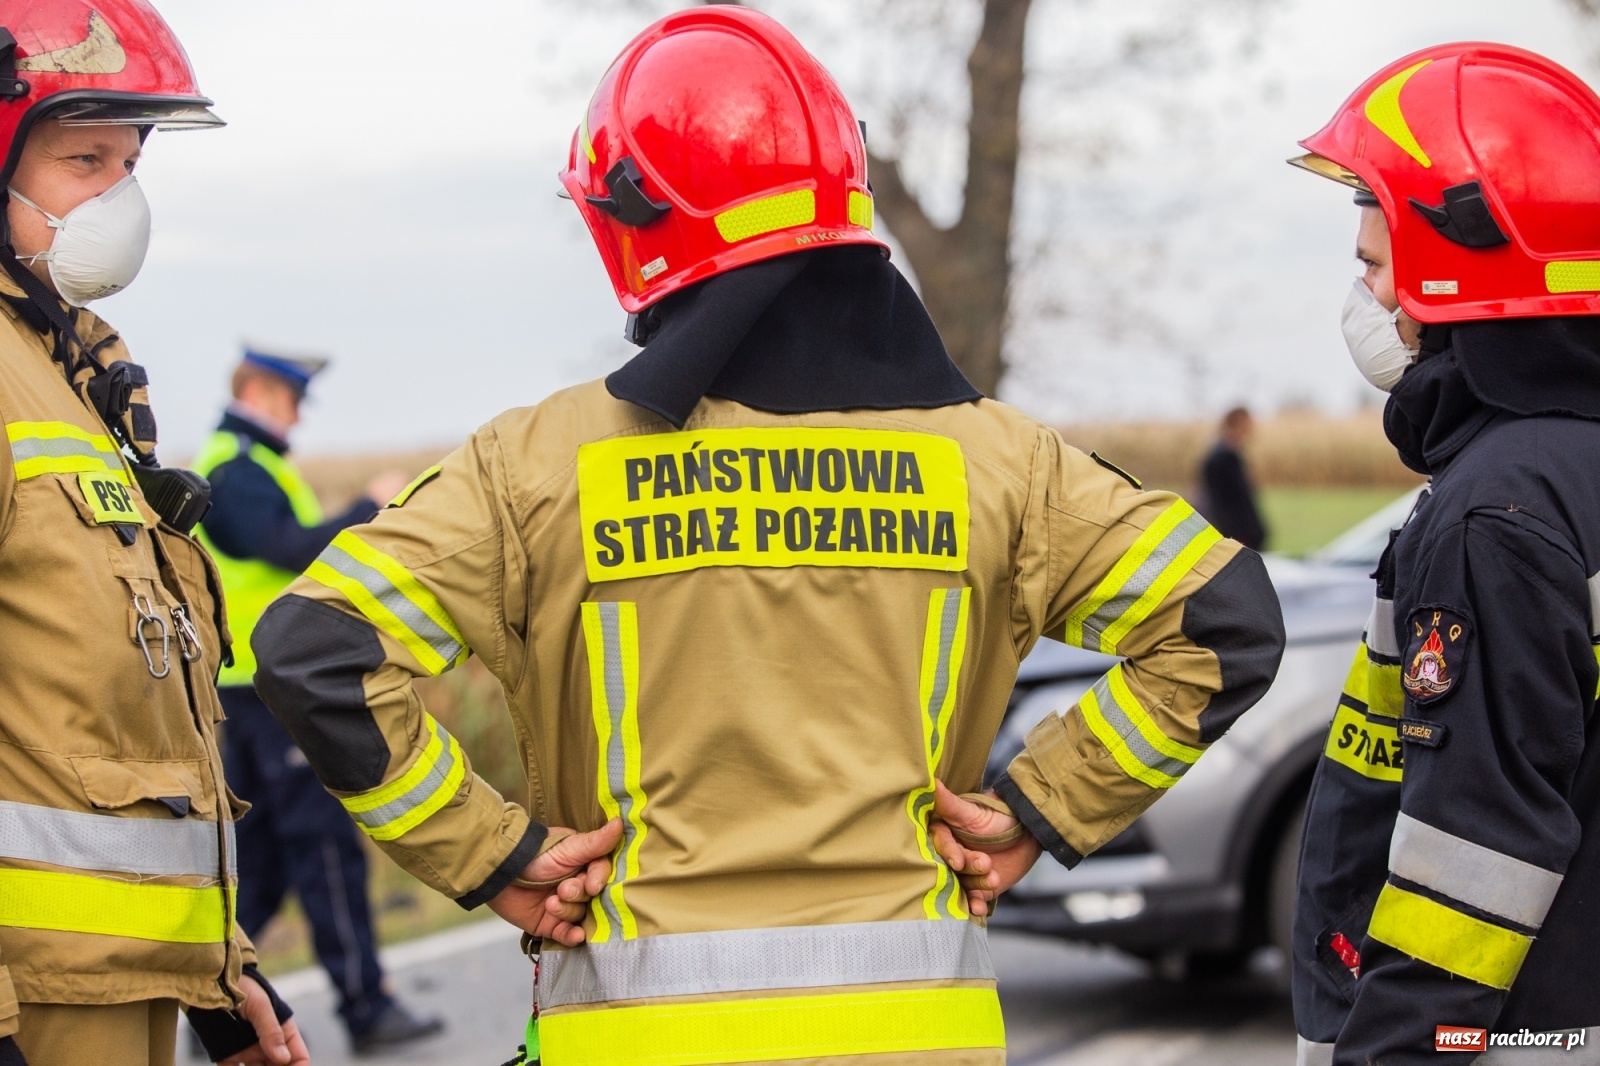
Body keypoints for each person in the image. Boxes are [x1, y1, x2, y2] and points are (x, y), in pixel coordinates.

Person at [249, 8, 1285, 1064]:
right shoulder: (1003, 463)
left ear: (630, 223)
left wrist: (492, 853)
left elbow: (316, 649)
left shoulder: (533, 465)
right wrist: (1039, 807)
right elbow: (1223, 621)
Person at [0, 2, 307, 1064]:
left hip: (113, 991)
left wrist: (222, 977)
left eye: (129, 162)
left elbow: (108, 728)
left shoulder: (66, 374)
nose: (118, 198)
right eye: (85, 158)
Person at [1289, 43, 1600, 1065]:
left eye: (1375, 265)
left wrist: (1388, 1051)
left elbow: (1472, 858)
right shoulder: (1566, 468)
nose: (1368, 300)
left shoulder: (1495, 512)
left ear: (1456, 262)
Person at [193, 351, 442, 1055]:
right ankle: (366, 1007)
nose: (299, 416)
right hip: (269, 696)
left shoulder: (249, 462)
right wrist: (371, 508)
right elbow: (287, 549)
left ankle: (216, 1005)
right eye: (293, 400)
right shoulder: (235, 467)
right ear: (262, 392)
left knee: (263, 863)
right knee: (324, 848)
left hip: (249, 694)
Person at [1198, 406, 1267, 550]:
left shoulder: (1224, 453)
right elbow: (1227, 501)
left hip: (1235, 532)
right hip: (1234, 534)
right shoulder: (1224, 457)